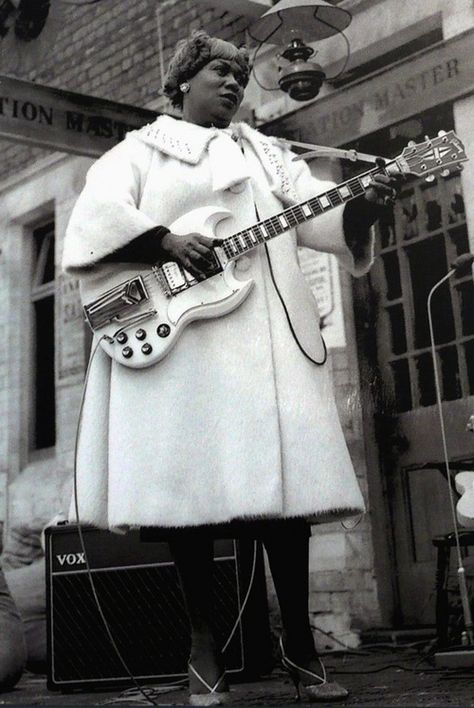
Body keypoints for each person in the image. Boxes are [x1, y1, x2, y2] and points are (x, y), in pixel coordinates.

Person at [62, 31, 400, 705]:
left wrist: (365, 202)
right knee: (191, 503)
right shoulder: (141, 150)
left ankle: (302, 653)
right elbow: (94, 219)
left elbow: (319, 216)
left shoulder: (269, 155)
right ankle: (202, 650)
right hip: (189, 344)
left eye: (242, 78)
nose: (234, 84)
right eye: (220, 71)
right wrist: (166, 239)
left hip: (269, 336)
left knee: (288, 501)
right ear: (182, 81)